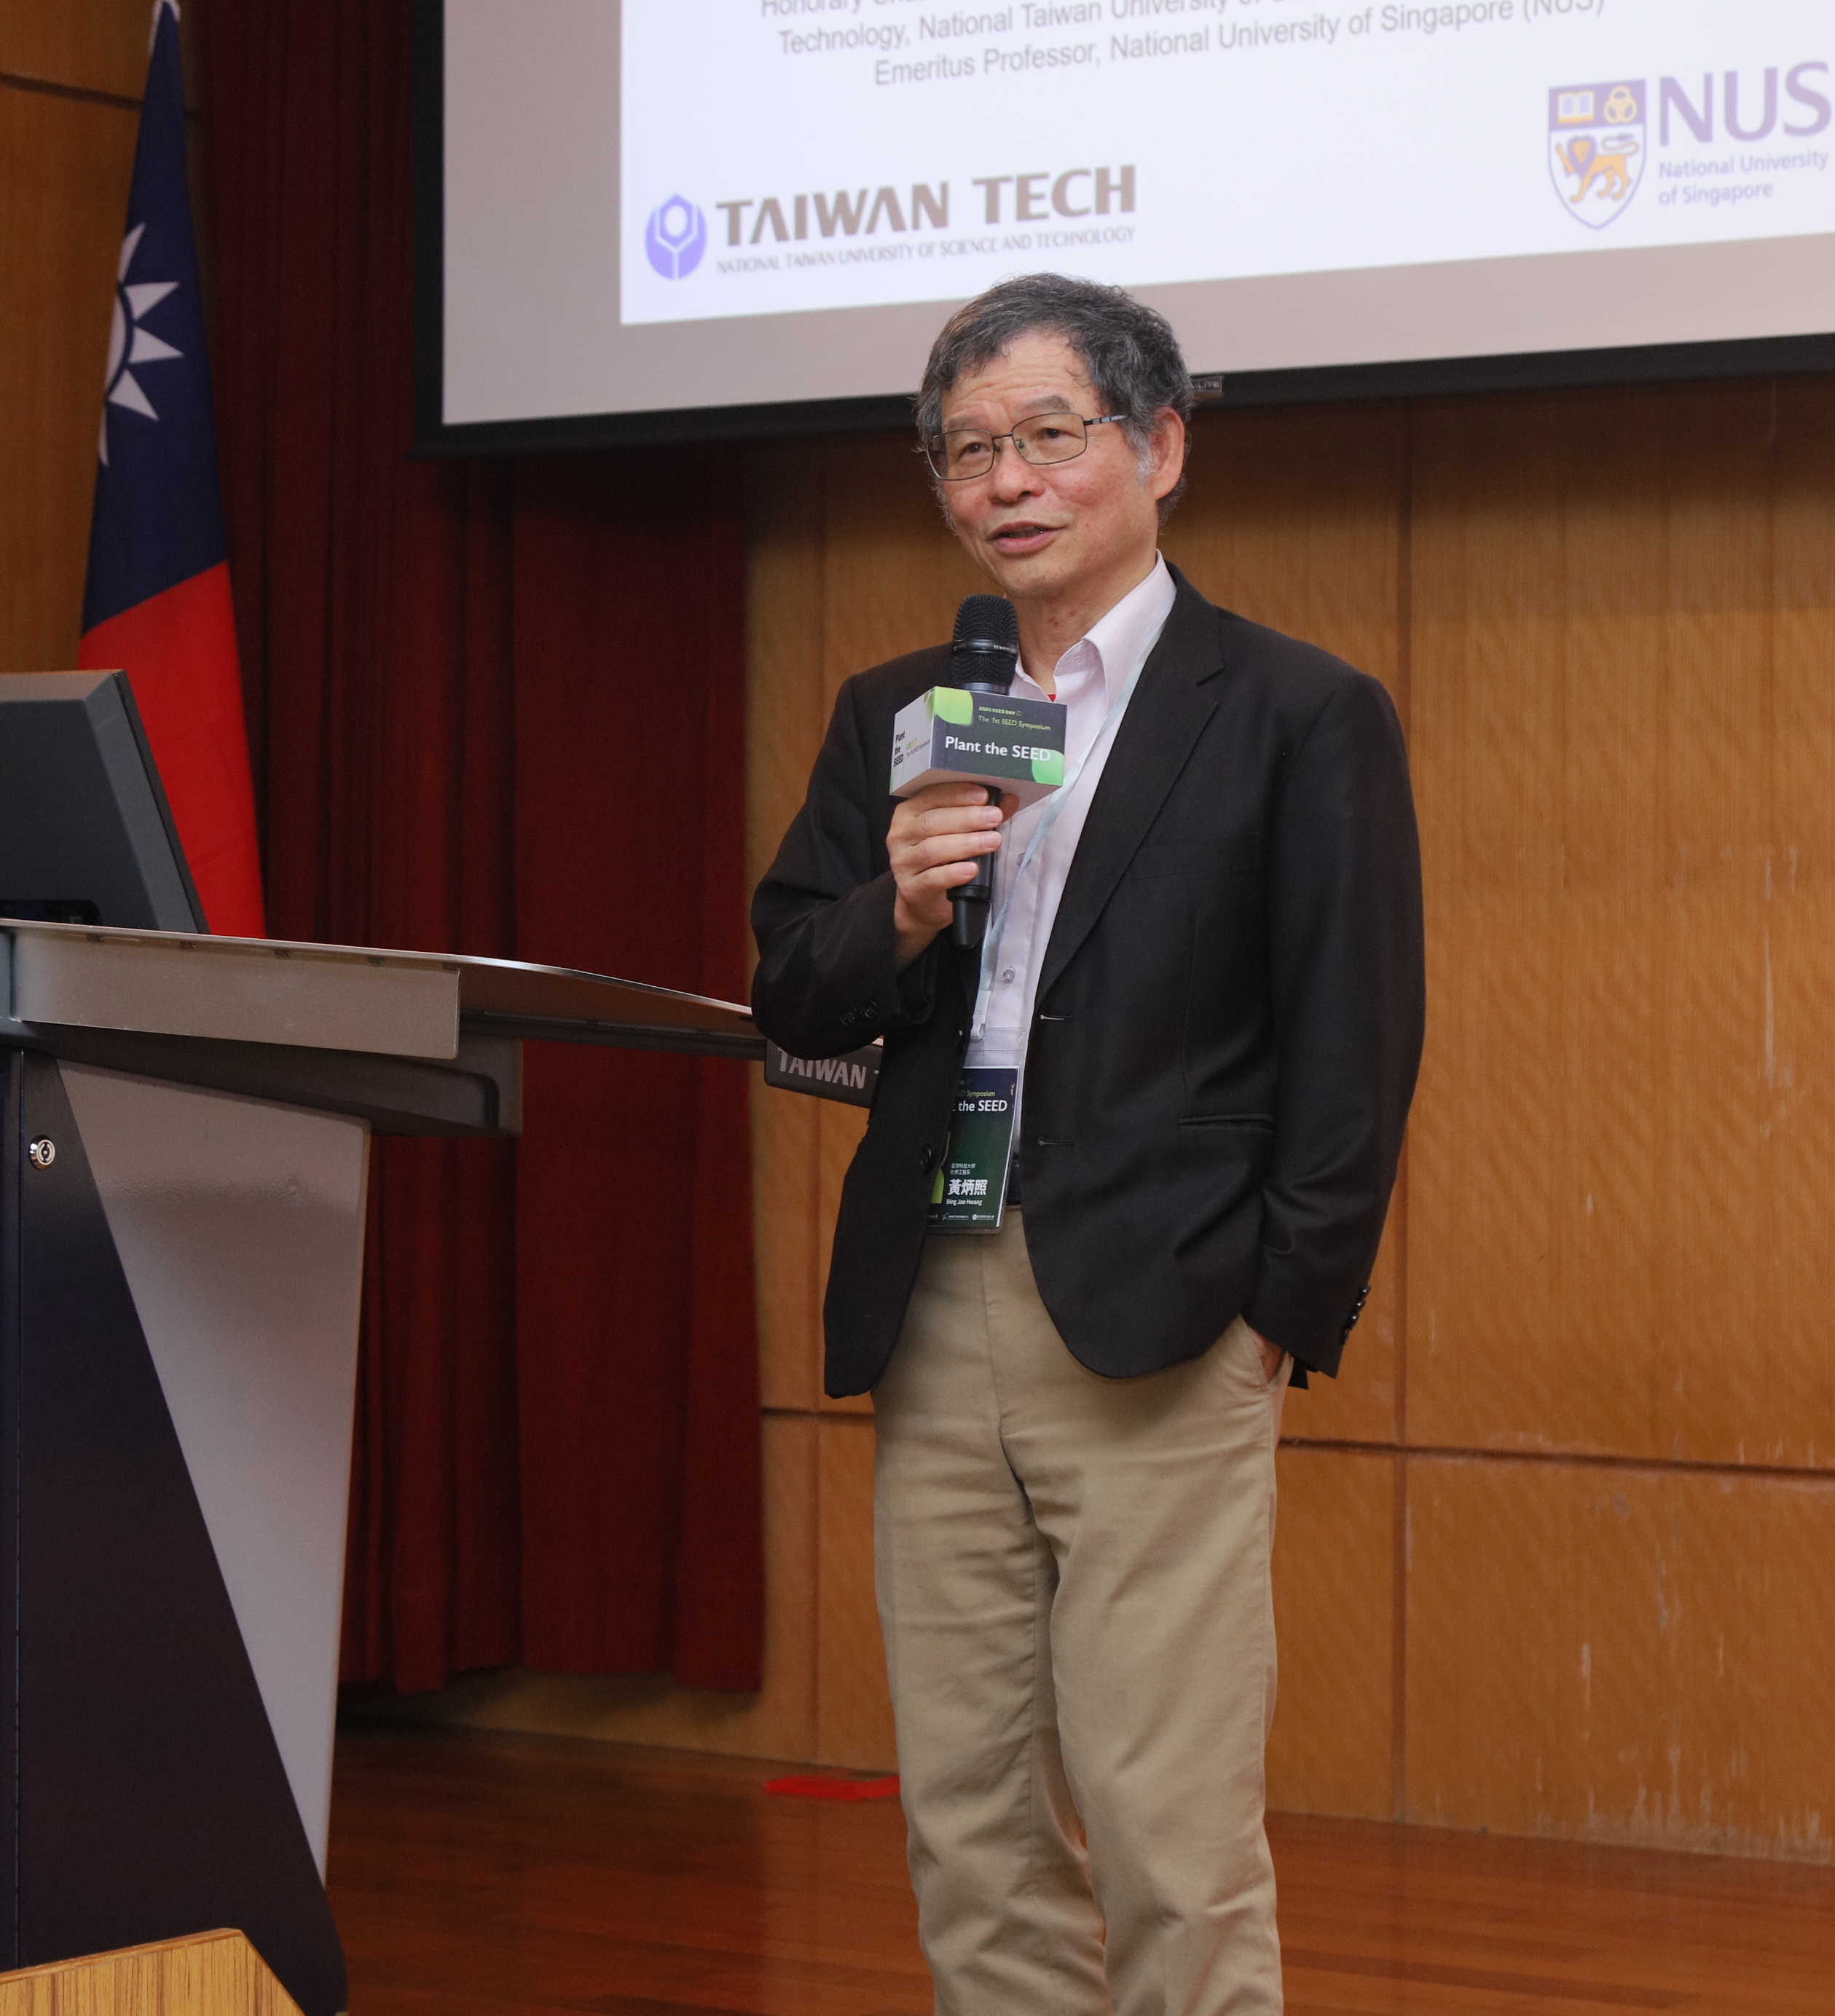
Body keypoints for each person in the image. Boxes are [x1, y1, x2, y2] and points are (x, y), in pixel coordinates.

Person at [750, 275, 1424, 2015]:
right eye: (966, 449)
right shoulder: (901, 709)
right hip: (931, 1294)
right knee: (968, 1818)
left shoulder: (1293, 710)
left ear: (1159, 448)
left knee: (1161, 1821)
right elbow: (789, 989)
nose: (1006, 482)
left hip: (1164, 1307)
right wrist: (900, 909)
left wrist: (1279, 1311)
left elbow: (1354, 1045)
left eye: (1049, 435)